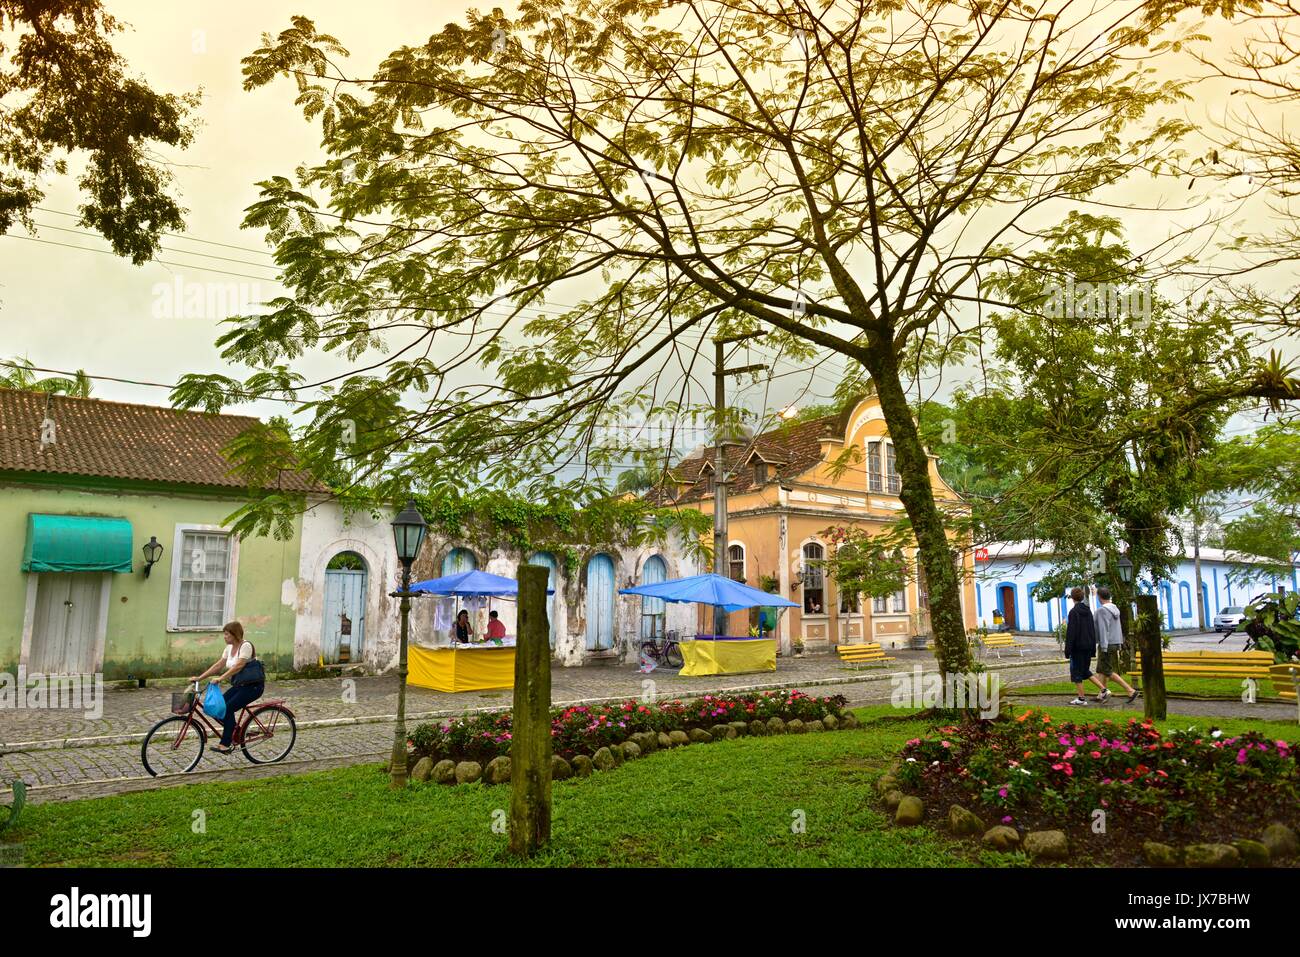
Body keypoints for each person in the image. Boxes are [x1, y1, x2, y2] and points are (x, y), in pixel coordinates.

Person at [189, 621, 264, 754]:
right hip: (239, 685)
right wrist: (199, 678)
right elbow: (218, 665)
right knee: (218, 708)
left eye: (227, 634)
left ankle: (225, 744)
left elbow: (239, 666)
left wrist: (220, 678)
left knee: (226, 709)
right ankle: (237, 731)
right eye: (224, 634)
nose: (224, 637)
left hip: (253, 687)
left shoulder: (245, 646)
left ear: (235, 634)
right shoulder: (229, 648)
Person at [1094, 587, 1140, 703]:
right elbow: (1117, 628)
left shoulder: (1101, 611)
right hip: (1114, 642)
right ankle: (1102, 694)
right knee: (1101, 669)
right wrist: (1119, 643)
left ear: (1099, 597)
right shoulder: (1115, 609)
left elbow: (1103, 629)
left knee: (1107, 670)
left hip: (1106, 643)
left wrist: (1103, 645)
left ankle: (1130, 690)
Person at [1064, 587, 1107, 705]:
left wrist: (1068, 649)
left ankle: (1081, 698)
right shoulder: (1088, 611)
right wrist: (1092, 647)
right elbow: (1092, 630)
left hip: (1077, 647)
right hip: (1088, 646)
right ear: (1082, 597)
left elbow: (1071, 632)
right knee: (1085, 671)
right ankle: (1104, 689)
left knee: (1076, 672)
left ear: (1072, 598)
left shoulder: (1073, 612)